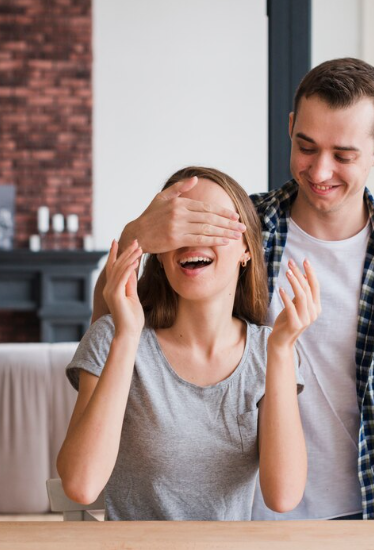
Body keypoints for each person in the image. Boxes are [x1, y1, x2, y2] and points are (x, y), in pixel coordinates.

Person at [90, 58, 374, 520]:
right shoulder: (238, 228)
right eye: (306, 146)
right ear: (291, 127)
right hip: (249, 519)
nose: (319, 170)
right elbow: (114, 324)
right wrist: (138, 233)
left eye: (344, 155)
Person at [57, 166, 320, 520]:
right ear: (160, 254)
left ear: (246, 249)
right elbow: (80, 485)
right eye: (179, 227)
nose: (194, 238)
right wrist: (127, 335)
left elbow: (283, 496)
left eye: (213, 223)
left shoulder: (269, 350)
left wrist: (281, 350)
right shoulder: (114, 336)